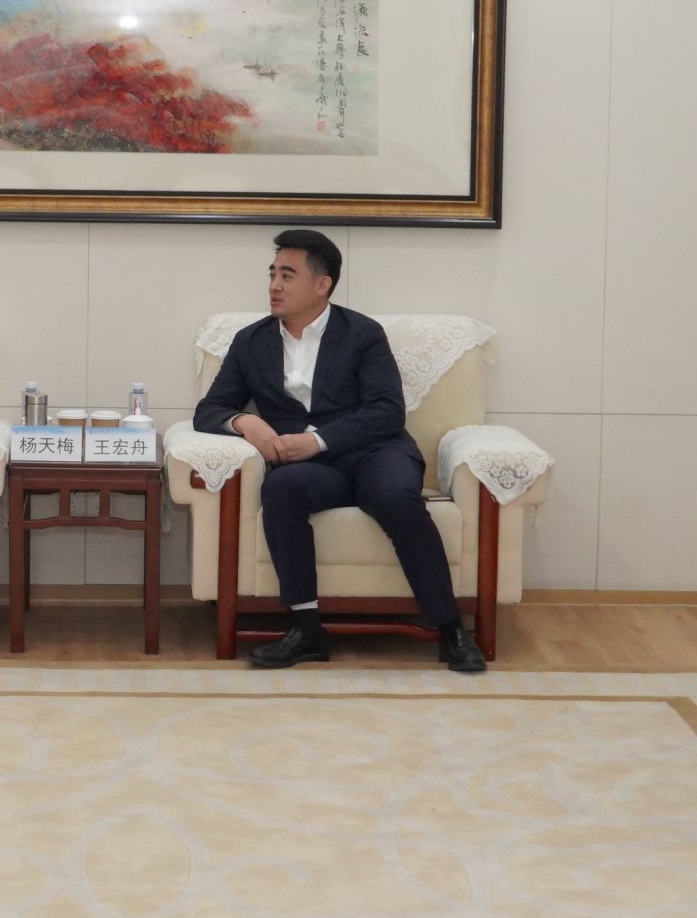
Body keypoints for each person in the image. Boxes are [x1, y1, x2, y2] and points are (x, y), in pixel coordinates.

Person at [197, 229, 487, 674]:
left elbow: (387, 411)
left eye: (287, 275)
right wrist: (245, 422)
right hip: (312, 469)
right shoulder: (251, 341)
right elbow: (210, 409)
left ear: (322, 284)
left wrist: (317, 440)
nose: (274, 285)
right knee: (282, 489)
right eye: (272, 274)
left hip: (375, 451)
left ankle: (451, 629)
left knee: (395, 496)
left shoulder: (362, 334)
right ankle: (306, 629)